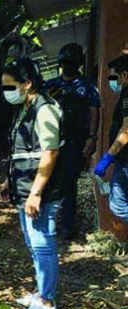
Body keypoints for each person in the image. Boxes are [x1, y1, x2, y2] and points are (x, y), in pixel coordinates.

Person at [0, 58, 66, 309]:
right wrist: (9, 180)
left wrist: (36, 193)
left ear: (27, 84)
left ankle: (47, 301)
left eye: (9, 86)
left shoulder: (45, 109)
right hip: (23, 188)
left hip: (40, 192)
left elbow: (49, 153)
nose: (6, 92)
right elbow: (24, 151)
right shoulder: (27, 108)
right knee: (32, 243)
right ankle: (41, 291)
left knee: (42, 244)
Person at [44, 43, 101, 240]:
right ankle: (50, 222)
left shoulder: (87, 86)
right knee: (49, 182)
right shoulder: (51, 86)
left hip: (74, 142)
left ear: (78, 64)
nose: (67, 66)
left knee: (68, 184)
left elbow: (94, 112)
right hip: (51, 142)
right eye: (65, 62)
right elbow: (38, 111)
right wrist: (49, 99)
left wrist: (92, 138)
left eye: (71, 62)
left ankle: (68, 225)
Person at [94, 53, 128, 226]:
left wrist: (108, 157)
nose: (111, 81)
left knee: (119, 204)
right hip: (123, 161)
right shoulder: (124, 95)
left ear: (124, 75)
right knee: (117, 204)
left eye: (114, 76)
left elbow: (127, 129)